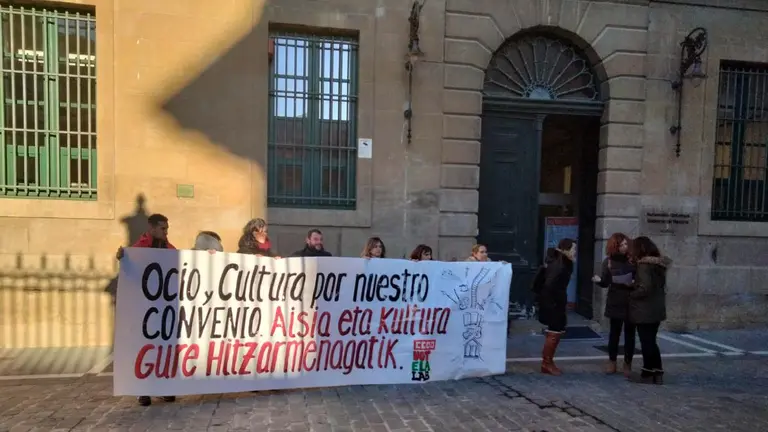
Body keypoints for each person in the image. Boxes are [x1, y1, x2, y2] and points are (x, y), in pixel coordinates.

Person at [115, 213, 177, 407]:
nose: (166, 232)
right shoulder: (139, 249)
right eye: (163, 229)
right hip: (144, 308)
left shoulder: (170, 249)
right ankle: (142, 390)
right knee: (143, 348)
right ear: (152, 229)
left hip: (163, 308)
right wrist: (122, 258)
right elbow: (130, 272)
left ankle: (163, 387)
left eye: (167, 229)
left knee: (162, 348)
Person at [627, 236, 670, 385]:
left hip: (644, 309)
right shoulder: (658, 265)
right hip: (656, 309)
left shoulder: (643, 265)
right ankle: (658, 372)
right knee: (651, 341)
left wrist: (631, 293)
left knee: (647, 342)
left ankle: (647, 373)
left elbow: (645, 288)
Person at [592, 233, 636, 376]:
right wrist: (599, 280)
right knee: (614, 333)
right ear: (615, 247)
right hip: (615, 300)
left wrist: (632, 282)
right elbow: (606, 282)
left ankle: (628, 363)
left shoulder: (632, 260)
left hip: (631, 300)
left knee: (630, 334)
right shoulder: (609, 261)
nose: (624, 247)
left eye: (625, 244)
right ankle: (612, 361)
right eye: (621, 245)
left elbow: (638, 279)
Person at [532, 238, 576, 376]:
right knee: (554, 332)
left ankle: (548, 362)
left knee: (556, 331)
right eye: (573, 249)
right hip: (553, 303)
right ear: (566, 249)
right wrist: (554, 303)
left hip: (555, 302)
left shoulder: (560, 262)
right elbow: (550, 285)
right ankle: (547, 363)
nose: (575, 252)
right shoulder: (560, 265)